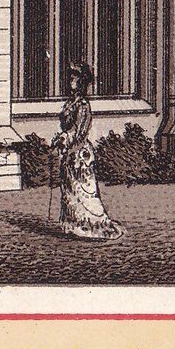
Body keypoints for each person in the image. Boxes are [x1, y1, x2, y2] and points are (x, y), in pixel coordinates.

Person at [53, 61, 123, 239]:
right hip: (70, 152)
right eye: (70, 78)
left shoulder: (83, 105)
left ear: (81, 82)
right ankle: (73, 224)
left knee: (83, 190)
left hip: (79, 153)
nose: (70, 81)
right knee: (70, 189)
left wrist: (65, 138)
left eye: (74, 78)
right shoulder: (71, 103)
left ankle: (91, 224)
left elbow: (79, 130)